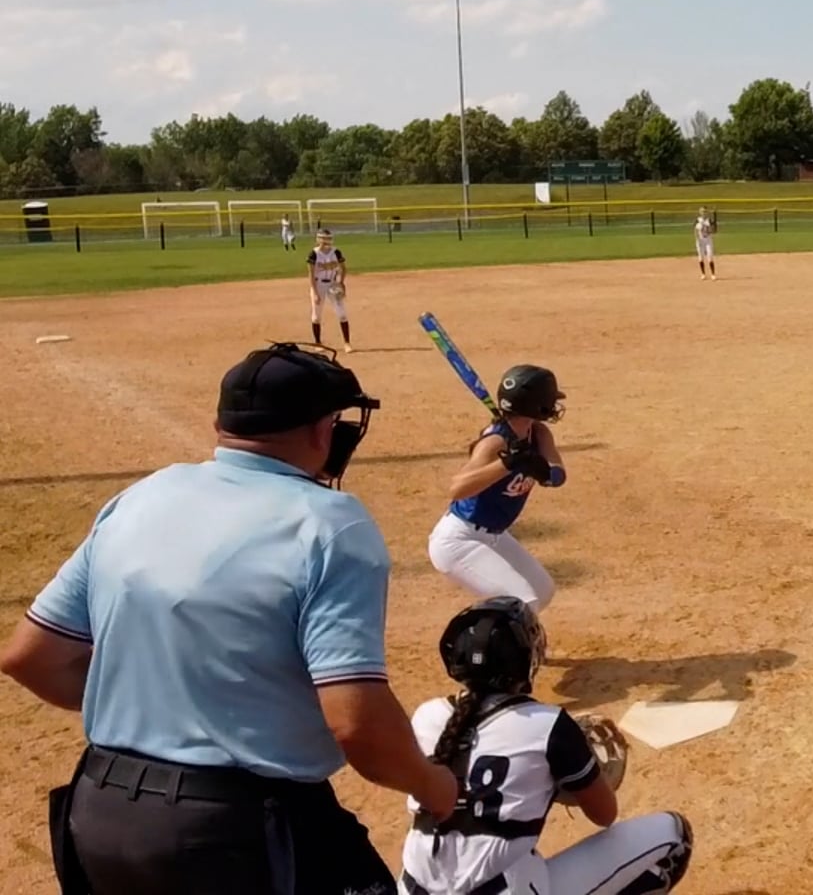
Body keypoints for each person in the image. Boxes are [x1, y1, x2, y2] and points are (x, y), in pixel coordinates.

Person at [1, 341, 457, 895]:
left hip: (100, 814)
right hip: (234, 830)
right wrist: (432, 785)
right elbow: (357, 723)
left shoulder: (141, 496)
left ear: (221, 425)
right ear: (322, 431)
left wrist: (173, 707)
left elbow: (31, 658)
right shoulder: (330, 523)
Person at [400, 596, 694, 894]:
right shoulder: (551, 726)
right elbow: (604, 814)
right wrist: (565, 772)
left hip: (412, 890)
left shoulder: (425, 716)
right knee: (674, 835)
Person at [428, 365, 569, 612]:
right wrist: (507, 463)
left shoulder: (538, 433)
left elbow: (558, 475)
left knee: (542, 590)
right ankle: (487, 635)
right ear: (536, 406)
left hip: (495, 535)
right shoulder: (495, 441)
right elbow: (458, 488)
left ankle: (507, 633)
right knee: (522, 602)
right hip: (460, 539)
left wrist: (544, 473)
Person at [308, 228, 352, 353]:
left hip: (332, 285)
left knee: (342, 314)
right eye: (324, 239)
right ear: (319, 240)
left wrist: (341, 283)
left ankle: (347, 343)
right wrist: (315, 292)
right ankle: (318, 343)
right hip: (318, 284)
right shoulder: (314, 254)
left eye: (328, 239)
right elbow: (311, 275)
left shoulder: (336, 252)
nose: (326, 241)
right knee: (316, 316)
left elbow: (343, 268)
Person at [694, 207, 717, 280]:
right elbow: (695, 230)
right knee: (701, 257)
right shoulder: (698, 220)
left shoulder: (709, 220)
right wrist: (697, 238)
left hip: (708, 240)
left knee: (710, 256)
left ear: (707, 213)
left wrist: (715, 216)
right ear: (700, 212)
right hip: (700, 241)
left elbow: (714, 230)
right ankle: (703, 274)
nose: (703, 213)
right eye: (702, 211)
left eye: (705, 211)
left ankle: (713, 274)